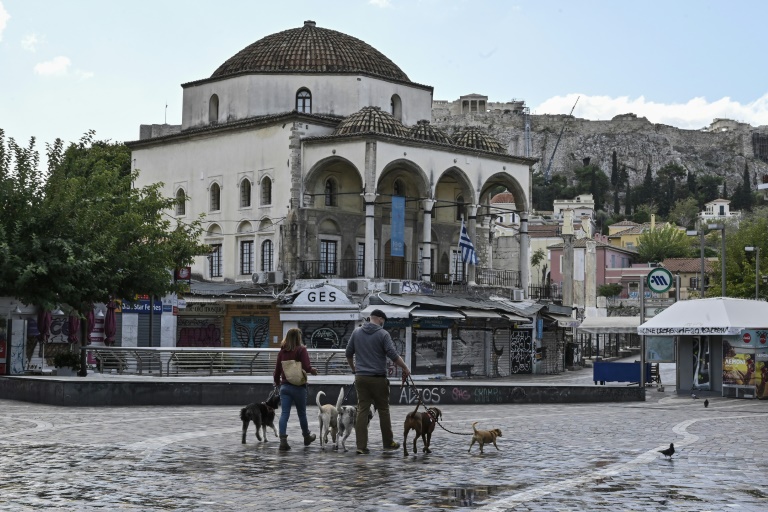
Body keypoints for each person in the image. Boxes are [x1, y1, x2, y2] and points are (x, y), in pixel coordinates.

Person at [345, 309, 410, 455]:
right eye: (383, 321)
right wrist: (405, 367)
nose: (383, 323)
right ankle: (388, 443)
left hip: (361, 378)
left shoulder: (356, 332)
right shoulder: (383, 334)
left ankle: (361, 446)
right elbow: (393, 355)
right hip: (378, 378)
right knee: (383, 410)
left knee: (362, 410)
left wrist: (354, 369)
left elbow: (348, 353)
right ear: (380, 319)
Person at [273, 328, 317, 451]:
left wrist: (277, 383)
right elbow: (307, 367)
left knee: (284, 414)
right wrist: (313, 371)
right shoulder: (301, 350)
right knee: (301, 413)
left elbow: (276, 371)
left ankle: (283, 441)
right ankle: (306, 437)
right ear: (298, 337)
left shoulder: (282, 352)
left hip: (285, 387)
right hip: (299, 387)